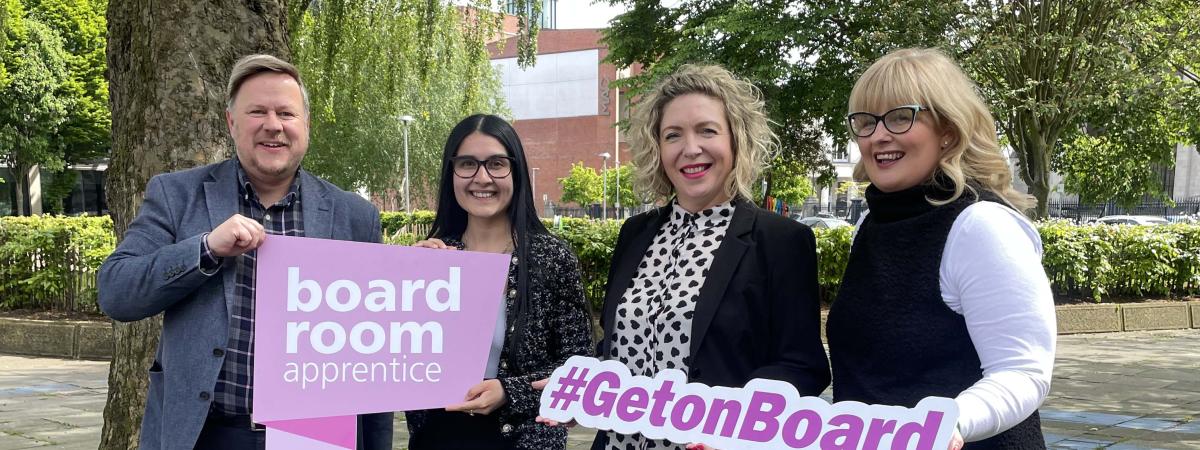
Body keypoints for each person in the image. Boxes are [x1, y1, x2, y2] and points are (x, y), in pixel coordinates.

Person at [96, 54, 392, 450]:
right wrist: (204, 250)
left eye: (286, 112)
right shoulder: (176, 195)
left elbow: (375, 359)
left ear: (306, 125)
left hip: (315, 435)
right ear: (231, 123)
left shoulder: (355, 217)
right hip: (209, 435)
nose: (273, 125)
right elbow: (116, 292)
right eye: (257, 112)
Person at [589, 64, 830, 449]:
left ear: (736, 140)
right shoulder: (634, 234)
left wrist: (737, 419)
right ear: (658, 148)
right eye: (673, 135)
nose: (690, 149)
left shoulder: (781, 241)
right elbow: (613, 349)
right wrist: (581, 387)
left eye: (707, 130)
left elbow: (803, 367)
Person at [826, 48, 1056, 449]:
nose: (879, 135)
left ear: (948, 130)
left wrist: (950, 421)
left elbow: (1023, 372)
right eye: (866, 122)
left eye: (901, 117)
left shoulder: (981, 226)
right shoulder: (872, 223)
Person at [404, 114, 593, 450]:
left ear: (516, 172)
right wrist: (406, 285)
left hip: (525, 439)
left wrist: (509, 391)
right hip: (441, 438)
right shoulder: (435, 259)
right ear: (451, 175)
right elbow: (396, 362)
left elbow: (576, 371)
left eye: (496, 164)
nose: (482, 177)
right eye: (467, 164)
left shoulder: (552, 259)